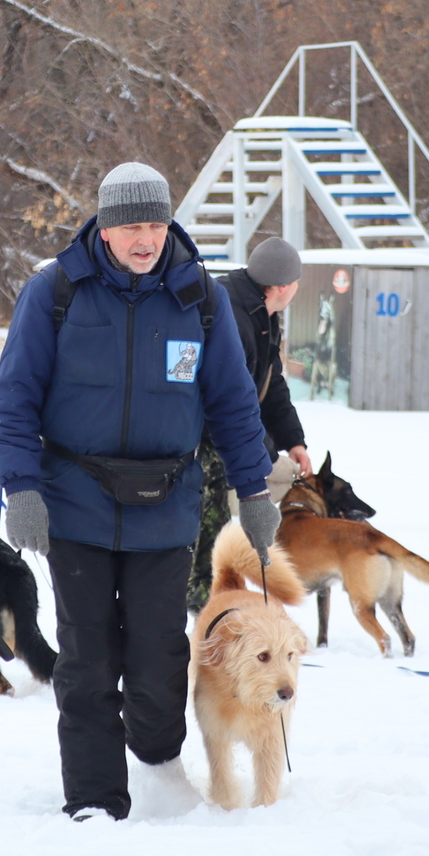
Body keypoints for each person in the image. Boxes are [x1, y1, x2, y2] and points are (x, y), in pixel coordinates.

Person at [0, 162, 277, 821]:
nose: (144, 239)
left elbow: (234, 403)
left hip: (165, 506)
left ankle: (156, 764)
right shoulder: (55, 291)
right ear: (105, 226)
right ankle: (93, 798)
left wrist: (253, 490)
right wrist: (21, 486)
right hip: (76, 503)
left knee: (157, 657)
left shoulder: (198, 298)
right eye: (130, 226)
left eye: (154, 224)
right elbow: (16, 403)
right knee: (87, 659)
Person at [189, 236, 311, 608]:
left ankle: (209, 614)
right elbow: (226, 403)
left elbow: (271, 384)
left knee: (216, 538)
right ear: (281, 286)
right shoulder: (234, 316)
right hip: (202, 445)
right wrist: (259, 455)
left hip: (229, 445)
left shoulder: (264, 315)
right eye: (296, 282)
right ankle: (197, 620)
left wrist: (294, 440)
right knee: (201, 542)